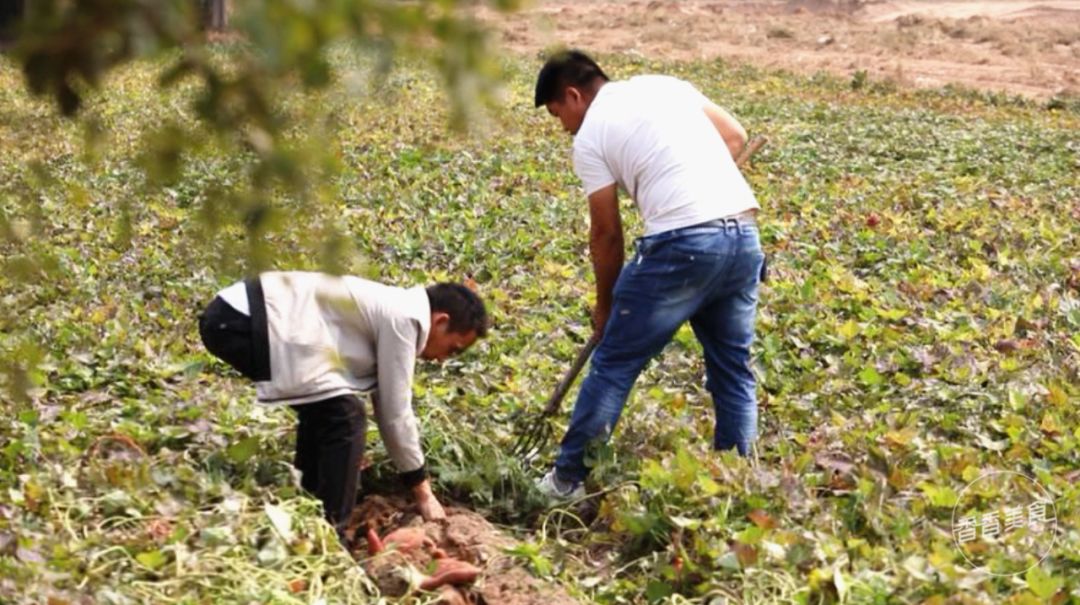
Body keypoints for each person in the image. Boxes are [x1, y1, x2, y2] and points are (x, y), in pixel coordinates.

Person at [533, 50, 765, 499]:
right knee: (733, 369)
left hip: (683, 247)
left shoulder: (590, 137)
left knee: (615, 363)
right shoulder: (663, 84)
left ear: (573, 95)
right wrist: (694, 182)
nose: (563, 126)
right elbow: (735, 136)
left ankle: (566, 483)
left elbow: (606, 235)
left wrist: (606, 307)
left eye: (558, 114)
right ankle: (738, 483)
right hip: (742, 235)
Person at [197, 271, 487, 535]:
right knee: (346, 417)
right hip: (241, 319)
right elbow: (394, 412)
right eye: (452, 349)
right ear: (441, 321)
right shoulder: (405, 319)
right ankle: (332, 536)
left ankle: (307, 511)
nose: (442, 360)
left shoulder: (398, 309)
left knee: (327, 408)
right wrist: (423, 491)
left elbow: (385, 402)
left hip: (238, 314)